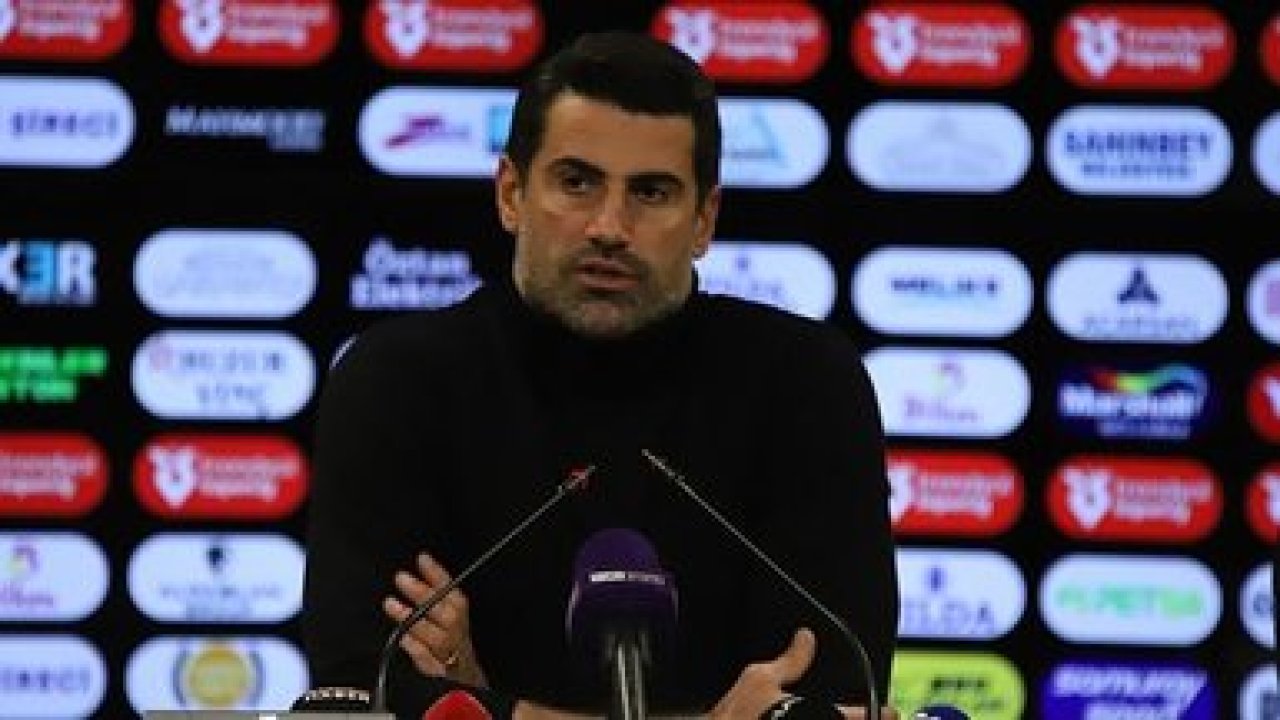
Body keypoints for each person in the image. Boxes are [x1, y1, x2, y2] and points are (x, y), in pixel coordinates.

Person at [301, 31, 898, 719]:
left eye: (651, 192)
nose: (610, 227)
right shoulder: (400, 381)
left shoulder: (804, 384)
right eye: (577, 183)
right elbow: (356, 693)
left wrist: (485, 703)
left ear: (704, 220)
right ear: (511, 193)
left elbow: (834, 695)